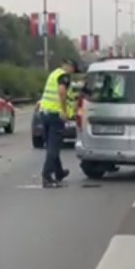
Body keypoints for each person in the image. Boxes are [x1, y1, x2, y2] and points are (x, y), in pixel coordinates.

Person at [39, 59, 78, 188]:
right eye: (73, 69)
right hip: (56, 115)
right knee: (53, 148)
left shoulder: (54, 73)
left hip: (44, 113)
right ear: (69, 67)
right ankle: (47, 176)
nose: (73, 72)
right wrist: (64, 111)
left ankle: (59, 172)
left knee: (51, 145)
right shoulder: (64, 76)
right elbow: (62, 92)